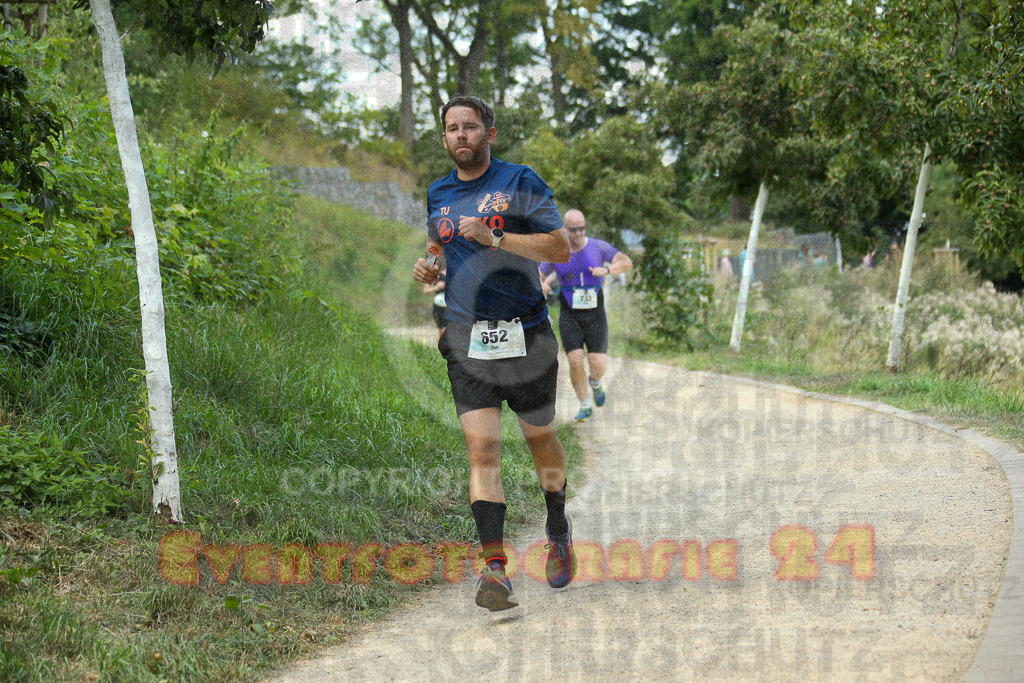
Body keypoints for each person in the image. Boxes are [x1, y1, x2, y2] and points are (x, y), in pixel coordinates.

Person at [412, 95, 575, 612]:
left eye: (471, 126)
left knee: (539, 438)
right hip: (468, 339)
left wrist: (497, 239)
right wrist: (430, 266)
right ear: (444, 138)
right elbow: (441, 246)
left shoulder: (519, 181)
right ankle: (496, 570)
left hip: (526, 334)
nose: (461, 134)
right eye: (452, 128)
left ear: (490, 133)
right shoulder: (438, 192)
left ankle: (557, 526)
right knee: (482, 453)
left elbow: (558, 248)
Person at [539, 210, 633, 422]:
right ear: (565, 229)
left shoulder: (599, 247)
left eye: (582, 228)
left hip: (595, 313)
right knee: (574, 359)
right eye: (574, 229)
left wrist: (608, 270)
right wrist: (542, 284)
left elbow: (625, 262)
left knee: (598, 363)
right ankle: (584, 404)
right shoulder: (558, 251)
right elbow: (539, 274)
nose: (579, 233)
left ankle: (596, 383)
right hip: (570, 314)